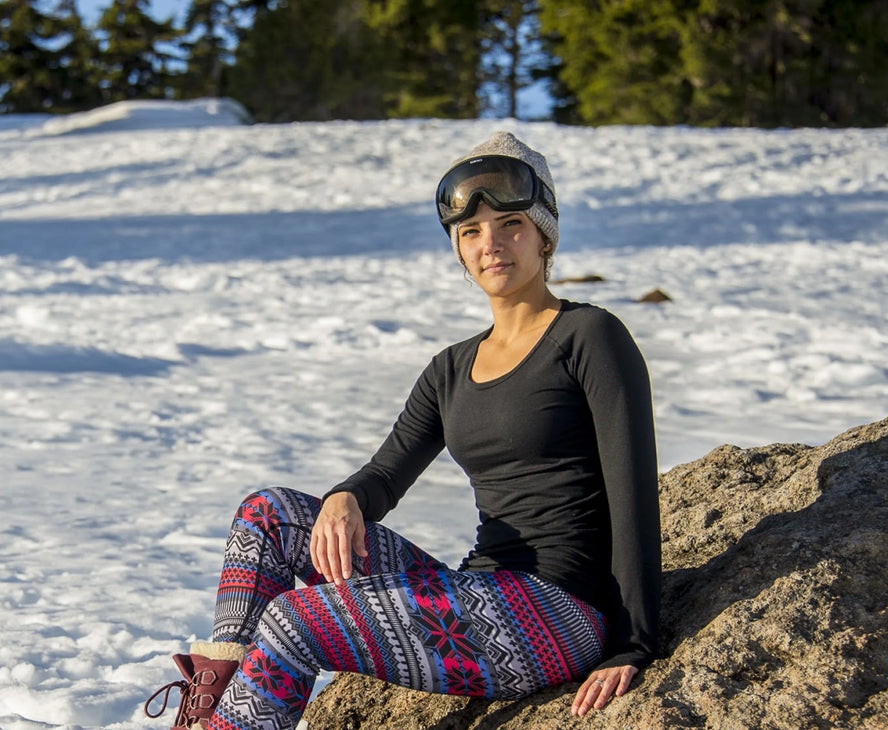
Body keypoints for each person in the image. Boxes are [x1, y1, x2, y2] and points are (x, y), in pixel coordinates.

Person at [144, 131, 660, 730]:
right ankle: (212, 708)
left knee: (297, 618)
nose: (490, 245)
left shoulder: (589, 336)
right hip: (479, 592)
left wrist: (633, 643)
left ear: (544, 234)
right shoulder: (450, 368)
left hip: (559, 612)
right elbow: (385, 475)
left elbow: (633, 491)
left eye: (510, 225)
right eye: (470, 233)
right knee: (269, 515)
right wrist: (345, 499)